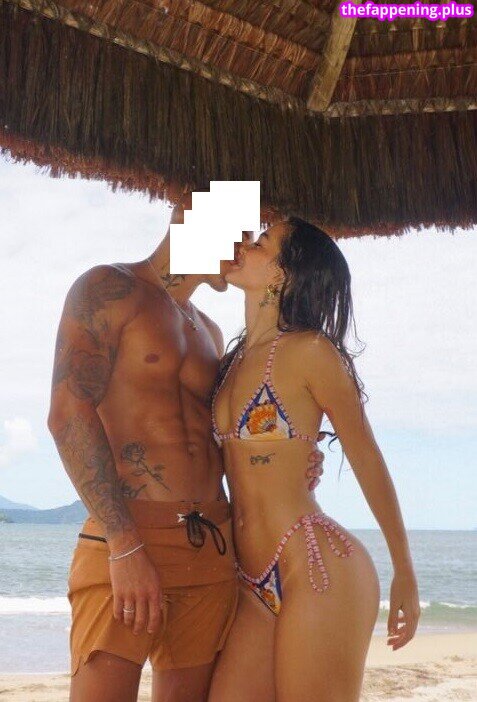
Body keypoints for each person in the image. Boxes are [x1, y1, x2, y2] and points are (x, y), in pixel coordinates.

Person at [47, 188, 324, 702]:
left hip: (209, 545)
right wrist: (124, 544)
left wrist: (289, 458)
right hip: (129, 534)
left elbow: (224, 436)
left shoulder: (210, 332)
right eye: (241, 232)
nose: (244, 248)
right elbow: (67, 414)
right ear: (193, 216)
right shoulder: (109, 289)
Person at [208, 217, 421, 702]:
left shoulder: (311, 351)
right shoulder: (228, 363)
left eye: (262, 242)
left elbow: (366, 456)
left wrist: (404, 570)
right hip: (249, 581)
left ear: (283, 273)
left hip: (318, 568)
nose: (244, 244)